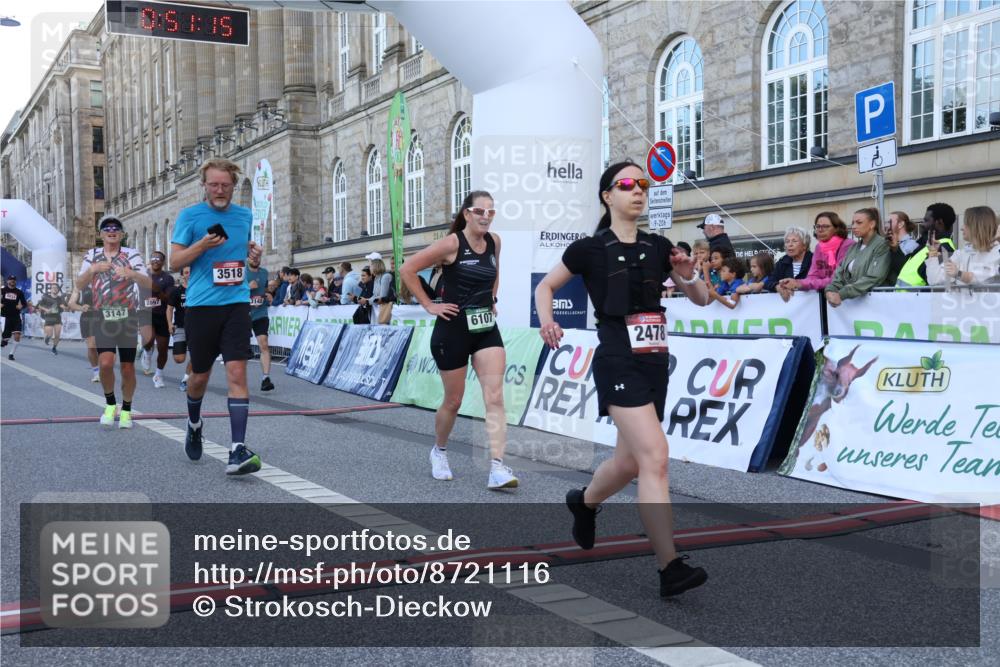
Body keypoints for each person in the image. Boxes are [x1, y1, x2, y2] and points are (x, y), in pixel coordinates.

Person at [534, 160, 710, 597]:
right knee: (656, 456)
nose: (638, 191)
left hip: (655, 359)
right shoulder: (588, 249)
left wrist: (688, 274)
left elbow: (703, 299)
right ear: (607, 195)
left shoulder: (658, 245)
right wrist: (547, 321)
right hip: (616, 358)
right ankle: (670, 567)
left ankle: (585, 502)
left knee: (630, 462)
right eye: (627, 184)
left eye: (643, 185)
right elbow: (545, 287)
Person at [401, 190, 518, 490]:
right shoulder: (452, 244)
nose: (486, 216)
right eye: (480, 211)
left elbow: (495, 271)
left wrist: (492, 298)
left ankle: (497, 467)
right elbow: (407, 269)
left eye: (491, 212)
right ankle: (439, 451)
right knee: (453, 401)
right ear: (466, 214)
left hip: (484, 329)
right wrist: (429, 304)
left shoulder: (496, 242)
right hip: (452, 329)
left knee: (494, 397)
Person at [169, 157, 263, 475]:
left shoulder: (244, 215)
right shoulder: (190, 216)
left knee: (237, 374)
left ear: (234, 186)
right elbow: (174, 261)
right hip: (201, 306)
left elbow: (244, 260)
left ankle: (237, 450)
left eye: (225, 185)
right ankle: (194, 423)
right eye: (214, 185)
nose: (220, 190)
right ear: (204, 186)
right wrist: (202, 245)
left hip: (236, 304)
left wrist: (254, 258)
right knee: (200, 377)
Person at [76, 215, 152, 428]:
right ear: (100, 234)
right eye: (107, 228)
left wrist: (131, 273)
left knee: (127, 367)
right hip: (102, 316)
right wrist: (92, 270)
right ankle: (110, 404)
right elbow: (79, 284)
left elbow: (148, 282)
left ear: (122, 234)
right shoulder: (92, 256)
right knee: (106, 363)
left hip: (126, 316)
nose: (111, 230)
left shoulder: (131, 254)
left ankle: (127, 409)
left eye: (116, 228)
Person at [778, 212, 853, 300]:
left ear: (836, 228)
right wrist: (793, 283)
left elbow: (838, 279)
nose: (820, 230)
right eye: (818, 226)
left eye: (826, 226)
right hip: (823, 299)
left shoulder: (847, 245)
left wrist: (800, 283)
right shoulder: (819, 247)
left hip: (846, 299)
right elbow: (812, 276)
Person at [825, 207, 890, 307]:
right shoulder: (853, 247)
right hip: (854, 305)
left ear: (872, 224)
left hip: (875, 304)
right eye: (853, 223)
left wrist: (842, 294)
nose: (854, 226)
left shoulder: (882, 245)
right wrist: (830, 290)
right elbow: (839, 272)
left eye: (859, 223)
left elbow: (874, 277)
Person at [926, 206, 999, 285]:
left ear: (977, 226)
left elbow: (981, 277)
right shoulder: (961, 254)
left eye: (966, 224)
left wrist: (958, 274)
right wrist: (933, 253)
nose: (961, 228)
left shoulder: (997, 252)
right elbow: (934, 279)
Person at [897, 203, 958, 288]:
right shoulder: (928, 245)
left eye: (926, 220)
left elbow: (938, 283)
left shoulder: (945, 248)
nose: (922, 224)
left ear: (939, 222)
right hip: (905, 298)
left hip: (917, 299)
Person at [139, 251, 176, 388]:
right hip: (145, 312)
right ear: (150, 260)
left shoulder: (168, 278)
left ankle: (158, 375)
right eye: (153, 258)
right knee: (149, 339)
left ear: (163, 262)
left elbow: (168, 298)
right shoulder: (143, 276)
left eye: (158, 259)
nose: (155, 261)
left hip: (162, 314)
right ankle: (147, 352)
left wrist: (157, 291)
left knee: (163, 349)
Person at [247, 254, 275, 391]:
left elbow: (263, 289)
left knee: (263, 343)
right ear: (247, 259)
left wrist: (268, 294)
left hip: (260, 313)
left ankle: (266, 378)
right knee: (240, 350)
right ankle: (238, 381)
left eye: (258, 258)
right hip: (243, 314)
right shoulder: (241, 272)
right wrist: (247, 287)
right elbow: (230, 292)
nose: (255, 260)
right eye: (253, 258)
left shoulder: (264, 272)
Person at [166, 266, 193, 391]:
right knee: (179, 359)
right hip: (180, 327)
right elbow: (169, 308)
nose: (189, 274)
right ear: (182, 275)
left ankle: (185, 380)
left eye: (191, 272)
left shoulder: (199, 290)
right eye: (186, 272)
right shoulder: (176, 292)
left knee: (196, 356)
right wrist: (169, 324)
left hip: (196, 328)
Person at [68, 283, 100, 380]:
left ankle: (105, 367)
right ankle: (96, 372)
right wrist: (81, 308)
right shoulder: (80, 286)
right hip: (88, 318)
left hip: (105, 316)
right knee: (92, 346)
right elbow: (71, 304)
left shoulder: (106, 281)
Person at [766, 226, 813, 291]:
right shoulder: (782, 262)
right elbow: (769, 282)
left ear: (804, 245)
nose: (790, 244)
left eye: (794, 241)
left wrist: (797, 284)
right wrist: (777, 286)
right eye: (787, 241)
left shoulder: (814, 260)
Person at [885, 210, 919, 285]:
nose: (886, 225)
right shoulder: (887, 243)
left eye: (889, 222)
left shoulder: (912, 245)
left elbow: (905, 269)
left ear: (900, 224)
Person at [37, 283, 68, 355]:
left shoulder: (60, 298)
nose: (54, 289)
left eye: (56, 288)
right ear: (50, 289)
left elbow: (64, 306)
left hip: (57, 317)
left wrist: (65, 307)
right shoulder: (46, 297)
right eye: (53, 287)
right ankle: (47, 338)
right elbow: (39, 306)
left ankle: (54, 348)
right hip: (48, 317)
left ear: (58, 290)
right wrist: (46, 309)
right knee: (50, 334)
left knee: (57, 335)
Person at [1, 275, 28, 360]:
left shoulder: (19, 292)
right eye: (11, 280)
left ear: (15, 282)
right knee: (5, 338)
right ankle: (5, 340)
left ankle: (11, 354)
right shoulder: (2, 290)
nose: (12, 281)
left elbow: (24, 303)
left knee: (17, 335)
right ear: (7, 281)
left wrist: (21, 306)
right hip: (5, 317)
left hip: (16, 316)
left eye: (14, 280)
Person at [370, 257, 395, 323]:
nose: (370, 268)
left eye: (371, 266)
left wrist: (367, 301)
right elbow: (375, 295)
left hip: (386, 307)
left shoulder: (385, 276)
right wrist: (366, 300)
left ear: (375, 266)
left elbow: (382, 296)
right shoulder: (376, 278)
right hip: (379, 307)